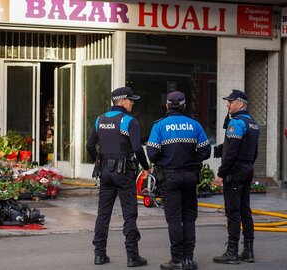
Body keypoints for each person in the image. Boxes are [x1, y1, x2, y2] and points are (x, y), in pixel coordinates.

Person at [146, 91, 211, 270]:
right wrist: (192, 159)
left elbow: (152, 152)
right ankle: (189, 260)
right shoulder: (195, 125)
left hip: (169, 177)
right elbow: (206, 152)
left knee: (174, 219)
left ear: (167, 106)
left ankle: (176, 260)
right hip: (191, 177)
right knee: (189, 218)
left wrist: (164, 160)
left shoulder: (160, 126)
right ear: (184, 106)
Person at [86, 86, 150, 267]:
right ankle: (132, 256)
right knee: (129, 214)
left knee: (103, 214)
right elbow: (137, 148)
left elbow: (90, 146)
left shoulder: (100, 120)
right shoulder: (129, 121)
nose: (132, 103)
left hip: (106, 172)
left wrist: (97, 161)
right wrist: (145, 168)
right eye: (131, 100)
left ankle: (99, 255)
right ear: (122, 100)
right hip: (124, 173)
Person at [213, 89, 259, 264]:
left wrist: (221, 173)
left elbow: (232, 151)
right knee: (245, 210)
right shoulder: (252, 123)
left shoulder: (237, 123)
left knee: (233, 212)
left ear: (240, 103)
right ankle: (248, 251)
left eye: (230, 102)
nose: (228, 105)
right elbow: (254, 151)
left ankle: (232, 252)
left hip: (235, 170)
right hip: (247, 169)